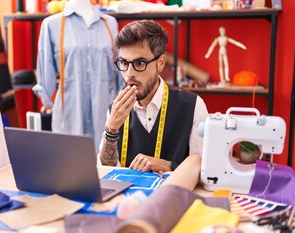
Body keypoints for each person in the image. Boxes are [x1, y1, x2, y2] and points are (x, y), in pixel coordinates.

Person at [99, 20, 208, 173]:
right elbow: (105, 171)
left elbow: (204, 169)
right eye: (124, 62)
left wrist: (169, 166)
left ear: (161, 63)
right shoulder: (115, 109)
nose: (130, 73)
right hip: (128, 197)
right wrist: (112, 129)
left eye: (140, 63)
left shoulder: (193, 106)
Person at [33, 0, 123, 151]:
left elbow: (120, 69)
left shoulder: (110, 23)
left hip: (105, 115)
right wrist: (46, 98)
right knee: (69, 169)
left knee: (106, 169)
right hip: (69, 114)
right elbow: (46, 66)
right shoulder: (52, 24)